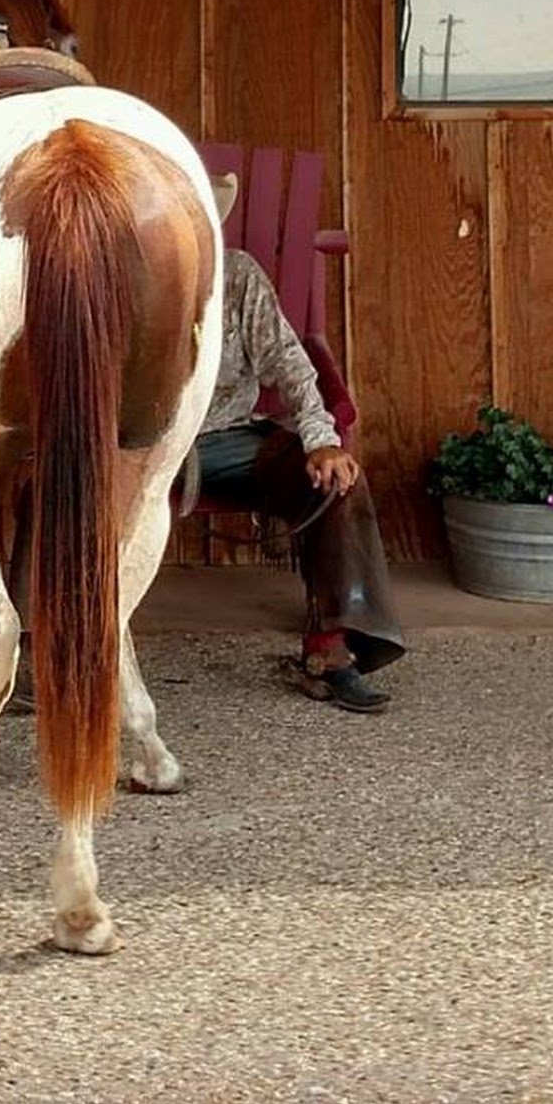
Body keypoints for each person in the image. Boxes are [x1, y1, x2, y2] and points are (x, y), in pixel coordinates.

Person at [192, 173, 406, 713]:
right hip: (135, 449)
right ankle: (38, 646)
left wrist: (320, 439)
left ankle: (330, 651)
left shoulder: (237, 276)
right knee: (58, 481)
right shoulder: (119, 279)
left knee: (335, 481)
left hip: (225, 438)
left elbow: (291, 362)